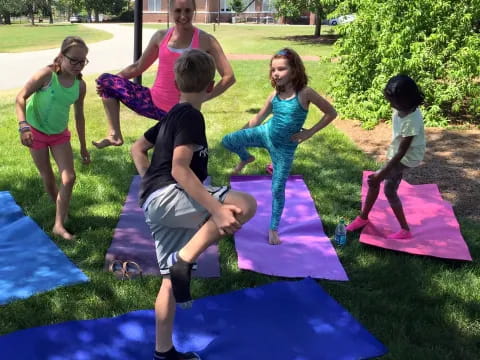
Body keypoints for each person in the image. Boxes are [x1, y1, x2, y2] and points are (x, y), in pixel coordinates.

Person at [140, 49, 256, 360]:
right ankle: (185, 260)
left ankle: (163, 353)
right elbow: (179, 168)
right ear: (210, 87)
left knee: (168, 284)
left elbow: (138, 149)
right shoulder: (191, 115)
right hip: (170, 196)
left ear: (176, 82)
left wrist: (150, 184)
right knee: (245, 203)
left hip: (154, 204)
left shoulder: (170, 116)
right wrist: (217, 210)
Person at [221, 48, 337, 245]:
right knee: (228, 140)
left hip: (284, 148)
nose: (276, 73)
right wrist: (241, 134)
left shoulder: (305, 93)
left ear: (294, 70)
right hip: (265, 133)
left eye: (281, 69)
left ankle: (273, 228)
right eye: (273, 69)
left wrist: (309, 132)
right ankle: (247, 158)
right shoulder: (275, 93)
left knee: (277, 188)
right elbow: (258, 118)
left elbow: (331, 113)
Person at [93, 0, 235, 150]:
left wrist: (205, 96)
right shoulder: (160, 36)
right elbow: (138, 67)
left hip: (181, 112)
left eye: (188, 11)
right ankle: (114, 135)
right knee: (105, 80)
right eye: (178, 11)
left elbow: (229, 76)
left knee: (173, 159)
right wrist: (111, 83)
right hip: (153, 102)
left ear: (194, 10)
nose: (183, 16)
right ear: (170, 11)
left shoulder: (206, 40)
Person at [15, 36, 90, 241]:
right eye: (73, 60)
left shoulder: (80, 86)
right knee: (48, 177)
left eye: (82, 61)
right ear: (61, 57)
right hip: (35, 132)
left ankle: (58, 224)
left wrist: (83, 147)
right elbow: (20, 97)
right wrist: (23, 127)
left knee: (69, 177)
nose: (77, 65)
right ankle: (60, 210)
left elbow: (79, 116)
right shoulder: (47, 75)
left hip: (59, 134)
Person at [346, 75, 426, 239]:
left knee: (375, 181)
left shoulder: (411, 120)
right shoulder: (403, 108)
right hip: (399, 154)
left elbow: (402, 152)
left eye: (393, 102)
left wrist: (381, 174)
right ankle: (370, 219)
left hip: (405, 158)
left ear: (405, 100)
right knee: (389, 189)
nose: (391, 105)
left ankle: (368, 219)